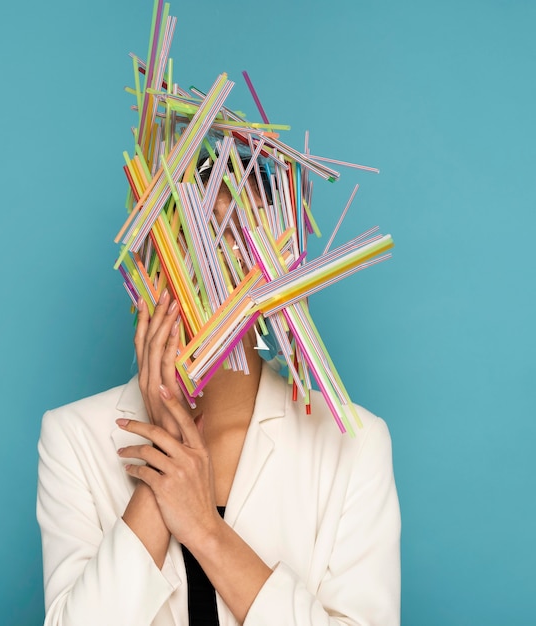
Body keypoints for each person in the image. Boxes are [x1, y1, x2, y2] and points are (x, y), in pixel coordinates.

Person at [36, 222, 401, 625]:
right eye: (189, 228)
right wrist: (164, 456)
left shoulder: (354, 442)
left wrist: (206, 530)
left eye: (233, 231)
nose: (209, 260)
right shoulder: (71, 436)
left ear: (276, 262)